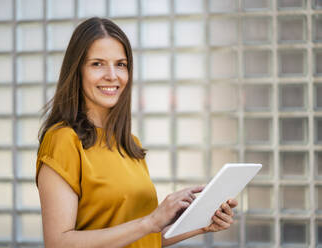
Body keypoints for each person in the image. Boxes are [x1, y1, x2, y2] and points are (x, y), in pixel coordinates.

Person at [35, 17, 238, 248]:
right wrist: (151, 221)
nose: (112, 75)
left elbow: (142, 237)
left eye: (121, 64)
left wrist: (201, 223)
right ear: (77, 71)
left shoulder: (128, 144)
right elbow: (59, 243)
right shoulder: (63, 140)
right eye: (97, 64)